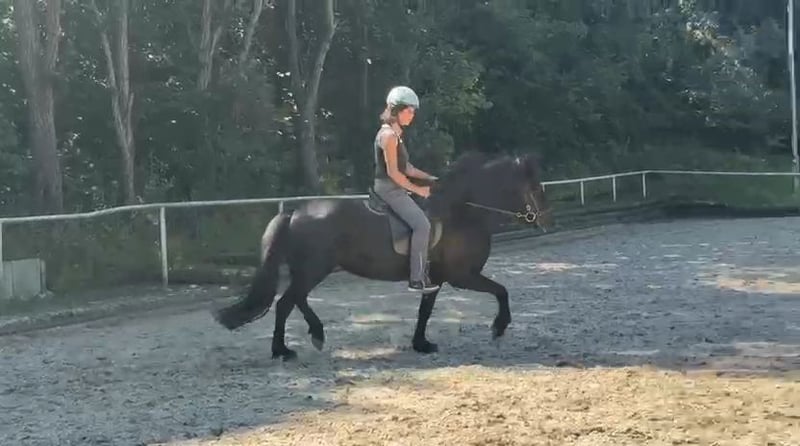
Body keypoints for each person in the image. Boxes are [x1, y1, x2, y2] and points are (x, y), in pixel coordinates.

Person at [373, 86, 440, 293]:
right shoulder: (388, 136)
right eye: (409, 111)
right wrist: (419, 190)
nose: (412, 115)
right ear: (396, 110)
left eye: (413, 111)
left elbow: (407, 168)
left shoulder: (396, 134)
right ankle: (416, 279)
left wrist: (429, 178)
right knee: (422, 225)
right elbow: (394, 173)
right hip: (389, 189)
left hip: (395, 186)